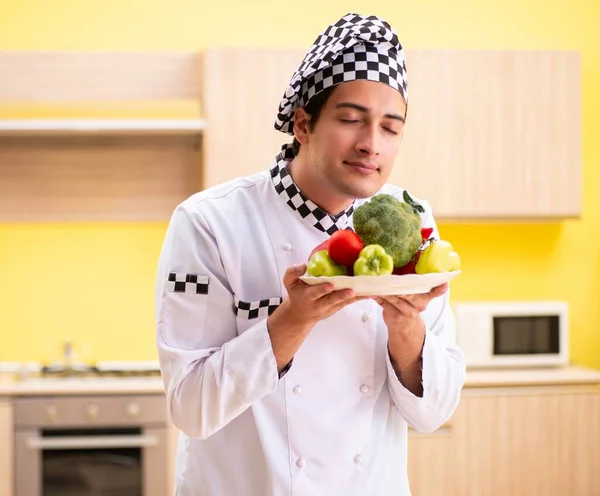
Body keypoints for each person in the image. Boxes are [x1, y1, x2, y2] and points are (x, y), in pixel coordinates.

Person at [155, 12, 466, 496]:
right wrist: (293, 320)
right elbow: (191, 409)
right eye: (350, 120)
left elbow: (435, 412)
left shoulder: (411, 221)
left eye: (390, 128)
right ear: (303, 123)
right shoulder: (210, 223)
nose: (370, 145)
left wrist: (406, 326)